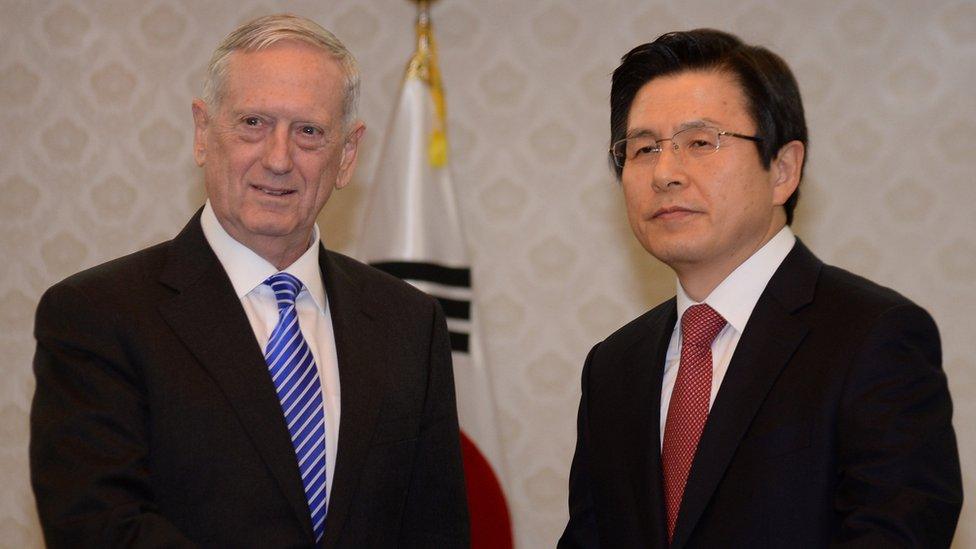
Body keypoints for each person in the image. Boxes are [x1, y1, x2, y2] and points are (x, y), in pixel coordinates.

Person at [30, 14, 469, 548]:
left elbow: (435, 531)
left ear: (347, 155)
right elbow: (98, 528)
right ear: (202, 133)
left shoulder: (409, 324)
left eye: (309, 131)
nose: (279, 159)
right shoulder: (97, 315)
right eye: (253, 123)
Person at [559, 29, 962, 548]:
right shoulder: (614, 365)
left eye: (700, 142)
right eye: (642, 149)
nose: (665, 173)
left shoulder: (874, 337)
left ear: (783, 170)